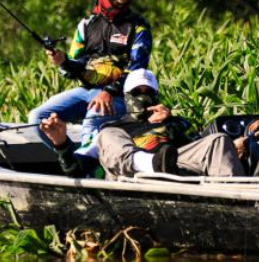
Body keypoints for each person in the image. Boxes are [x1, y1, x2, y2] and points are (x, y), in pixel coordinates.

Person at [27, 0, 153, 161]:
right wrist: (62, 62)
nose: (122, 0)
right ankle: (70, 162)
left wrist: (108, 92)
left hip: (121, 96)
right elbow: (72, 69)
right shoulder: (86, 25)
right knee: (37, 118)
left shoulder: (139, 27)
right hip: (86, 92)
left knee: (92, 120)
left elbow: (137, 70)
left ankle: (85, 172)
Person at [41, 69, 244, 179]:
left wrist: (172, 123)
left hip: (176, 169)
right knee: (107, 133)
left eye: (149, 93)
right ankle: (151, 165)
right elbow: (76, 169)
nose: (143, 98)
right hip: (133, 178)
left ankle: (238, 206)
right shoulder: (114, 128)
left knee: (219, 140)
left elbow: (197, 147)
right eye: (137, 93)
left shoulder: (172, 121)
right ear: (127, 97)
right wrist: (60, 143)